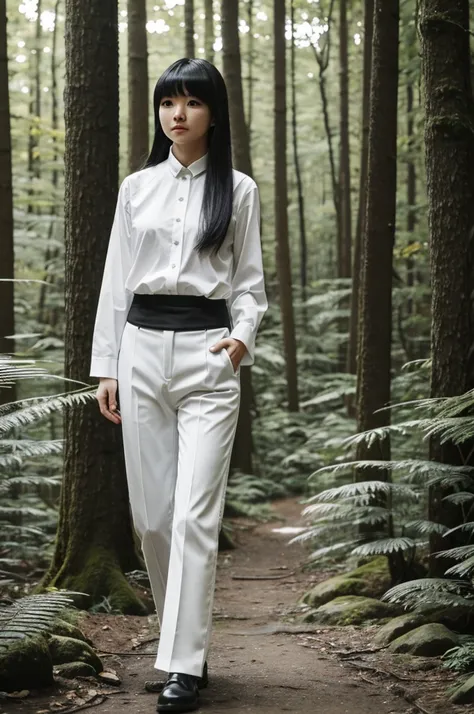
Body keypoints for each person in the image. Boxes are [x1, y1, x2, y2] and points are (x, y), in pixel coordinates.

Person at [89, 57, 267, 713]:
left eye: (192, 103)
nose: (177, 114)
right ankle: (180, 643)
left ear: (213, 114)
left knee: (194, 516)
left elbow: (249, 285)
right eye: (169, 102)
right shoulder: (136, 188)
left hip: (208, 358)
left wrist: (241, 340)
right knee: (153, 522)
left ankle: (183, 666)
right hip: (138, 354)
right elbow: (114, 282)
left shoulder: (239, 191)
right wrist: (106, 365)